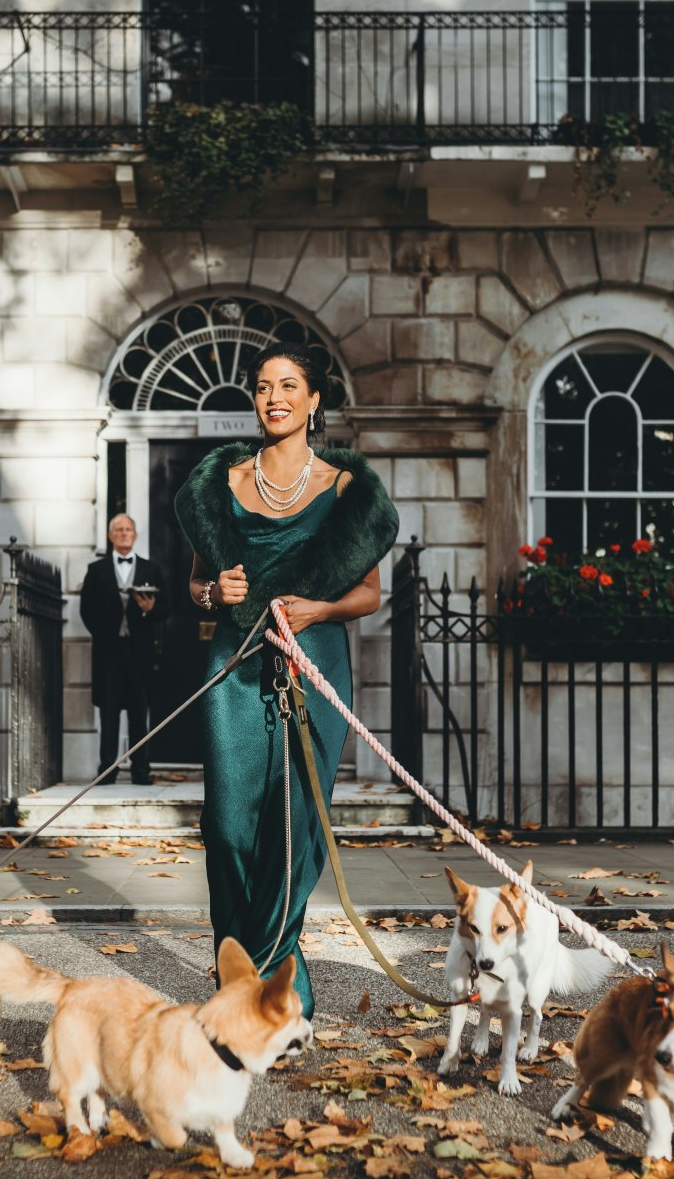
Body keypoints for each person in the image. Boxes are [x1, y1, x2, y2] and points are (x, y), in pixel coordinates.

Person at [173, 343, 398, 1017]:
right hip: (235, 668)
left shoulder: (342, 491)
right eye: (265, 386)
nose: (276, 397)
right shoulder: (224, 486)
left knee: (296, 825)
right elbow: (193, 585)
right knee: (228, 825)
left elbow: (369, 593)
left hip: (315, 662)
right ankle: (237, 965)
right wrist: (215, 590)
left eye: (290, 385)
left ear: (314, 400)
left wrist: (321, 608)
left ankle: (272, 982)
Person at [78, 513, 164, 786]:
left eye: (129, 529)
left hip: (140, 652)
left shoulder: (152, 569)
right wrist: (104, 635)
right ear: (111, 536)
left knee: (140, 713)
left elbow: (166, 609)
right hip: (109, 653)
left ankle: (141, 770)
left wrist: (150, 610)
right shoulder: (96, 570)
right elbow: (86, 610)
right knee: (109, 712)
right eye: (119, 529)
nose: (125, 533)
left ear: (135, 536)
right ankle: (107, 770)